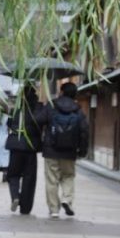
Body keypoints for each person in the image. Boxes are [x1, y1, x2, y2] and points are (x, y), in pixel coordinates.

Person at [35, 81, 89, 218]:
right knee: (68, 176)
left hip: (51, 150)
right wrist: (82, 150)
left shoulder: (52, 106)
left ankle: (54, 210)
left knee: (52, 180)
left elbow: (39, 120)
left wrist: (41, 107)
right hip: (70, 151)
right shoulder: (78, 110)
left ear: (61, 92)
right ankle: (67, 200)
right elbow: (84, 131)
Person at [6, 85, 42, 214]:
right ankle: (26, 207)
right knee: (29, 177)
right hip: (30, 147)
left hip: (15, 145)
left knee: (13, 174)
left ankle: (15, 195)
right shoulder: (38, 109)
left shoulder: (16, 109)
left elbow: (9, 124)